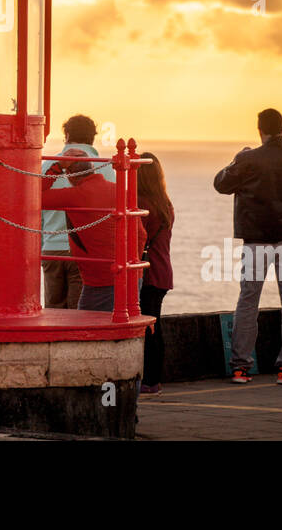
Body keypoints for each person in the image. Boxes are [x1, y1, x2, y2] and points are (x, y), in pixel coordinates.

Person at [213, 108, 282, 385]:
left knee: (248, 301)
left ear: (259, 130)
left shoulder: (247, 159)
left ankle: (240, 367)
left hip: (256, 241)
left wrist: (235, 160)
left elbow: (221, 184)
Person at [42, 148, 145, 314]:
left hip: (99, 281)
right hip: (131, 276)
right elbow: (141, 235)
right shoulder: (120, 191)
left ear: (69, 174)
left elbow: (33, 196)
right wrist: (131, 268)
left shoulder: (75, 195)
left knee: (85, 328)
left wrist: (56, 167)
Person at [40, 115, 114, 309]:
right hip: (85, 252)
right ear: (92, 137)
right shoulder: (104, 166)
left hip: (51, 248)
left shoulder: (48, 164)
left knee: (52, 312)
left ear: (67, 135)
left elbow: (33, 202)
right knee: (78, 313)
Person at [136, 151, 174, 394]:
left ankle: (148, 380)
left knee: (146, 329)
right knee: (154, 327)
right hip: (162, 271)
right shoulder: (165, 203)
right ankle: (154, 379)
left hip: (146, 273)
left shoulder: (141, 204)